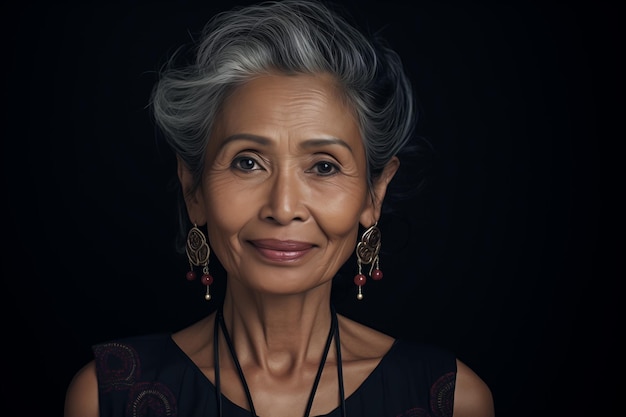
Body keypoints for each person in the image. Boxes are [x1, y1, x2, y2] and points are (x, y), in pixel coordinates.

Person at [64, 1, 495, 416]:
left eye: (324, 166)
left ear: (374, 194)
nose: (283, 207)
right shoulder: (109, 396)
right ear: (193, 188)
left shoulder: (450, 399)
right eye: (247, 162)